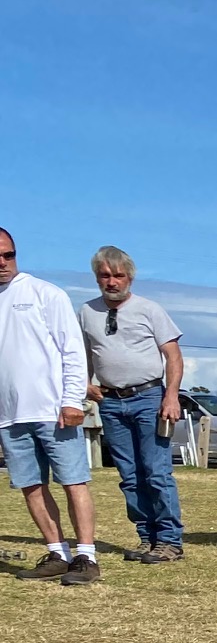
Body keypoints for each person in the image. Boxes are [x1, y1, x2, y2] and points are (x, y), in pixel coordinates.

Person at [0, 227, 100, 585]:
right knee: (30, 485)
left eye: (8, 255)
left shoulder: (44, 293)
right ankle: (57, 551)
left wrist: (73, 400)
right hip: (9, 416)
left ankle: (86, 557)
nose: (2, 263)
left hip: (54, 411)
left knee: (74, 481)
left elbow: (72, 349)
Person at [79, 245, 185, 563]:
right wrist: (84, 384)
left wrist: (171, 396)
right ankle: (146, 537)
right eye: (105, 276)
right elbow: (82, 355)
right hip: (111, 402)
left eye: (118, 275)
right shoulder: (86, 311)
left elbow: (173, 356)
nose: (112, 282)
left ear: (130, 277)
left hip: (150, 398)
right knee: (129, 474)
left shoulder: (149, 309)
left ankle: (169, 541)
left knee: (156, 472)